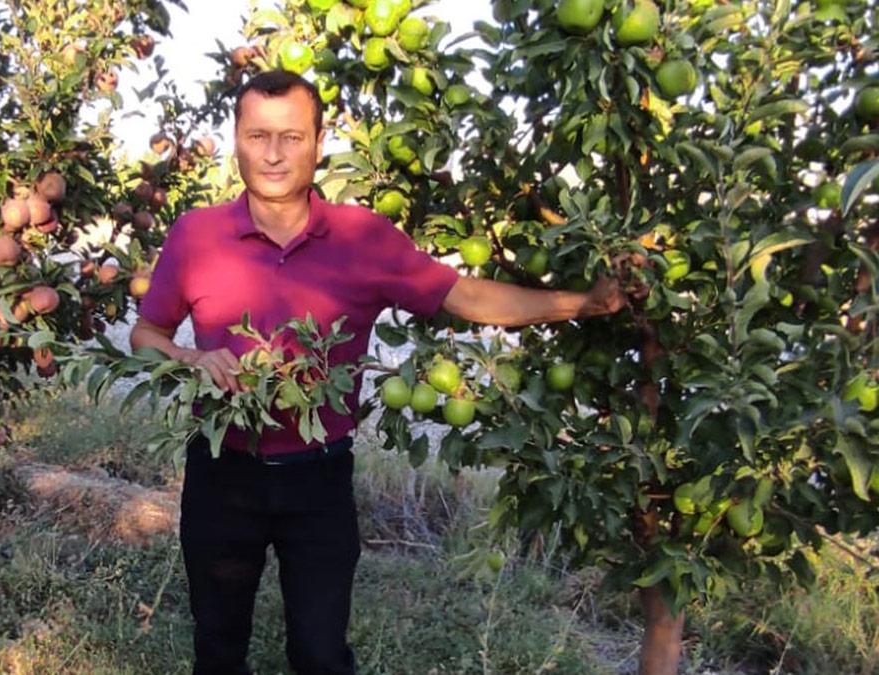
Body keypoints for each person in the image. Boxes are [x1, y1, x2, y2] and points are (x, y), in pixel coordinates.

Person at [129, 70, 625, 675]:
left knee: (320, 652)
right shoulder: (197, 234)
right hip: (221, 472)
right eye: (258, 135)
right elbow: (147, 334)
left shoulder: (362, 237)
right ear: (236, 139)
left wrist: (583, 304)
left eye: (291, 136)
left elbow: (464, 297)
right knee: (218, 640)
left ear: (318, 140)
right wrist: (192, 358)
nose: (275, 154)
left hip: (319, 480)